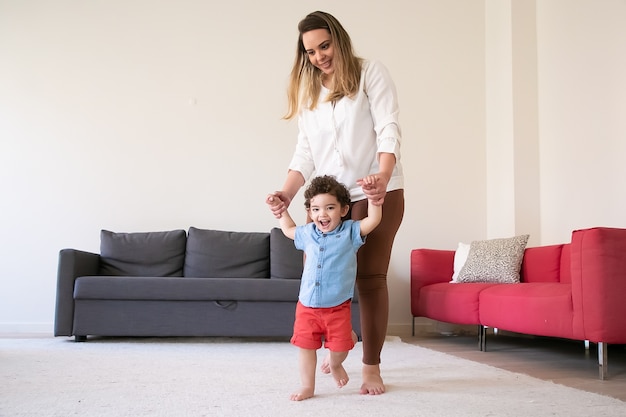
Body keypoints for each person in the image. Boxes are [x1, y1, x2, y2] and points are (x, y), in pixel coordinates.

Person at [266, 11, 404, 396]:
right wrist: (287, 194)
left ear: (338, 39)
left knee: (370, 279)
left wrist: (382, 175)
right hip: (330, 201)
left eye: (324, 46)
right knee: (323, 278)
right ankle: (335, 349)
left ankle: (371, 367)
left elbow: (388, 128)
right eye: (310, 51)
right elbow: (304, 154)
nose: (319, 56)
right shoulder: (310, 94)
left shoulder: (370, 73)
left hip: (376, 189)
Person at [276, 175, 382, 401]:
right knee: (306, 347)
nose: (321, 214)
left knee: (340, 349)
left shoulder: (350, 232)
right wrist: (280, 210)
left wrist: (374, 200)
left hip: (337, 307)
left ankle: (335, 365)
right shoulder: (307, 234)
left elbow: (372, 221)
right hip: (307, 306)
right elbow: (288, 229)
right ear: (310, 211)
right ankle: (307, 385)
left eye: (329, 208)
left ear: (343, 210)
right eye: (315, 209)